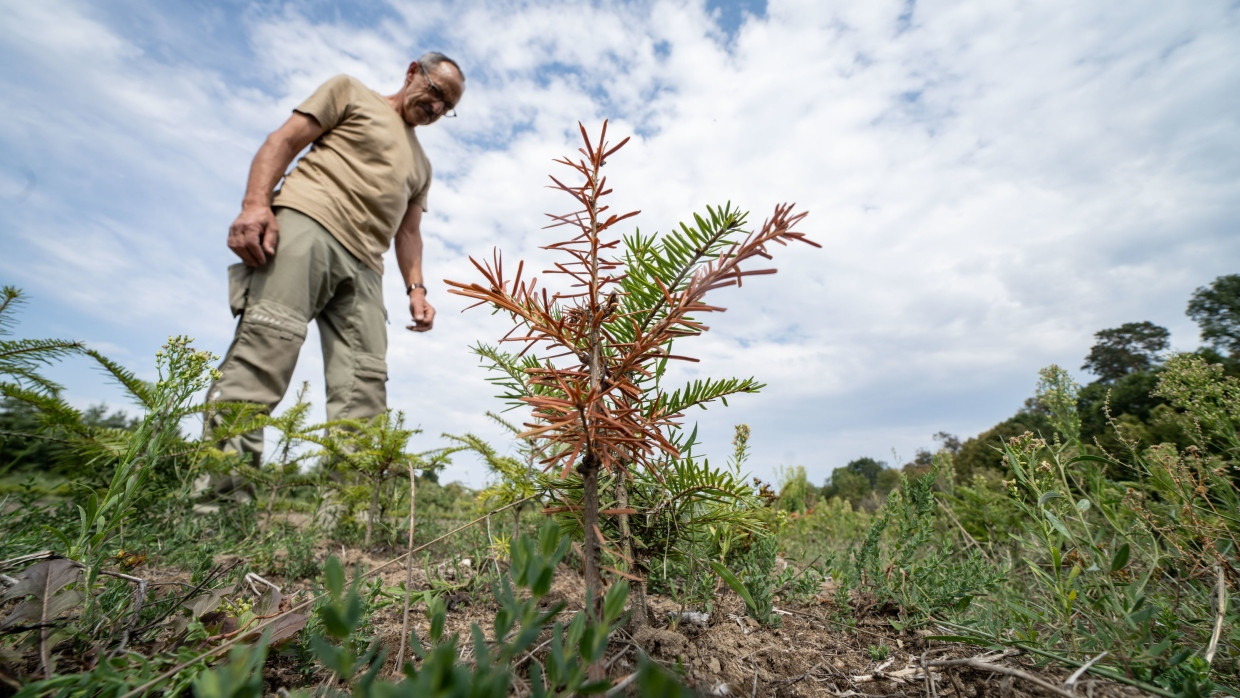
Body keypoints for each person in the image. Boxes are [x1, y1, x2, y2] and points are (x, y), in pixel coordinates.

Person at [202, 52, 465, 499]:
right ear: (411, 73)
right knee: (266, 352)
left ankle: (343, 524)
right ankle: (218, 508)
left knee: (364, 385)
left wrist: (416, 289)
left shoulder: (422, 166)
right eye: (436, 93)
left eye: (447, 107)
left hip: (366, 266)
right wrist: (254, 205)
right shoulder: (350, 92)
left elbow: (409, 233)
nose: (437, 108)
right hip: (310, 224)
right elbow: (283, 141)